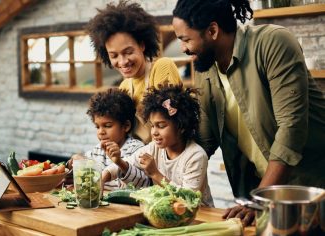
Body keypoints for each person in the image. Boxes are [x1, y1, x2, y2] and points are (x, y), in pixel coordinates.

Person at [172, 0, 325, 225]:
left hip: (311, 186)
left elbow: (291, 129)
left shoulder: (272, 42)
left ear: (212, 31)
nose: (184, 49)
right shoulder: (206, 70)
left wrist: (258, 200)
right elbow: (204, 140)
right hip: (264, 191)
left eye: (186, 39)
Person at [86, 0, 182, 144]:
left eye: (128, 52)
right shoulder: (124, 87)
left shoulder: (162, 67)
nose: (123, 61)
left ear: (142, 45)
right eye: (114, 56)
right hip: (139, 161)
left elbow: (170, 121)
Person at [104, 84, 214, 207]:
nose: (154, 132)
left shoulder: (195, 155)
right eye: (152, 126)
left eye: (161, 126)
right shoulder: (153, 148)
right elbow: (126, 163)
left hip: (199, 215)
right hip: (167, 214)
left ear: (181, 126)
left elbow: (188, 198)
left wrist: (155, 173)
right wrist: (103, 178)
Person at [68, 88, 144, 190]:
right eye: (97, 127)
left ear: (126, 126)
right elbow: (82, 170)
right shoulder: (98, 150)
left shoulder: (136, 149)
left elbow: (143, 182)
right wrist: (73, 162)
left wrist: (120, 163)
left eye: (108, 126)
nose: (101, 132)